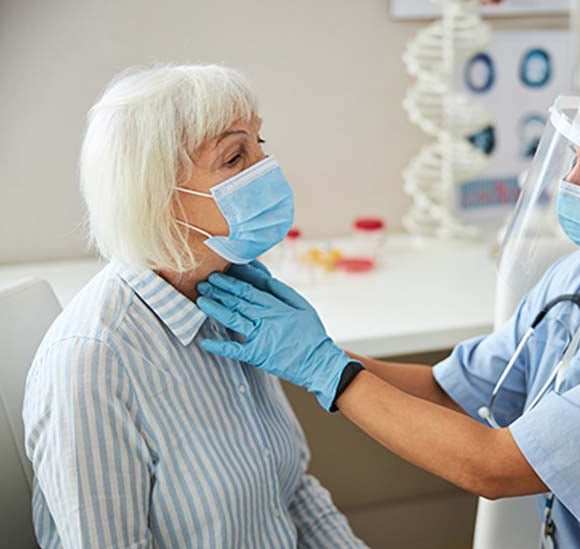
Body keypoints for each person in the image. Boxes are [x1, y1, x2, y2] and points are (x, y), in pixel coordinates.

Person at [196, 49, 580, 548]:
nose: (570, 184)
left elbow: (492, 467)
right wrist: (308, 345)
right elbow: (453, 390)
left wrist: (323, 370)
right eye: (574, 160)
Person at [22, 64, 365, 549]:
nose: (265, 170)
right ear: (158, 195)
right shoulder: (94, 364)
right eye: (234, 157)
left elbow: (290, 495)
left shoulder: (230, 300)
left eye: (259, 146)